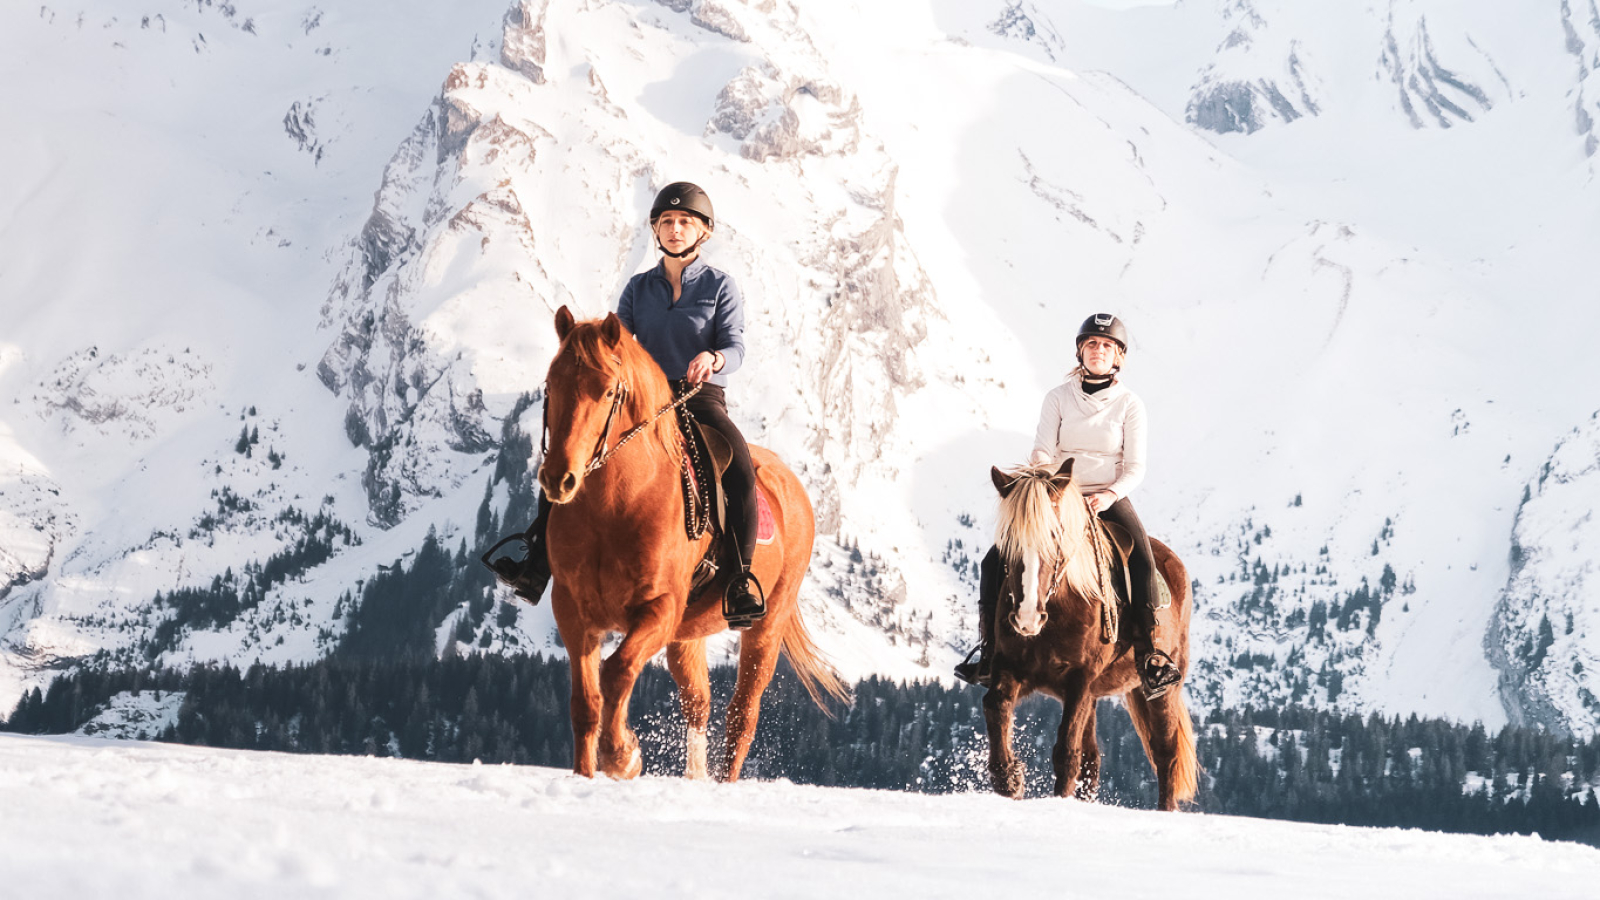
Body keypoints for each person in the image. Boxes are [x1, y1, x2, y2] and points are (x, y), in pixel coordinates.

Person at [508, 182, 766, 628]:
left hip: (699, 394)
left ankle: (740, 578)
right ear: (655, 230)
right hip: (644, 399)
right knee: (573, 455)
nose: (674, 228)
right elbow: (617, 347)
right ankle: (537, 560)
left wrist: (715, 358)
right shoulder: (637, 288)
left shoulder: (721, 286)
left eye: (685, 221)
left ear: (703, 231)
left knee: (740, 467)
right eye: (666, 221)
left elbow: (736, 347)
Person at [954, 313, 1182, 699]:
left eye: (1107, 345)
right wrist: (1046, 482)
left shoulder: (1130, 404)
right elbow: (1043, 447)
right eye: (1092, 343)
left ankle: (1150, 654)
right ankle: (989, 651)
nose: (1099, 350)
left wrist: (1107, 495)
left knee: (1142, 557)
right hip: (1058, 494)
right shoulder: (1058, 397)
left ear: (1118, 357)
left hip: (1106, 496)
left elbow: (1135, 466)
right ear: (1080, 351)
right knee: (995, 560)